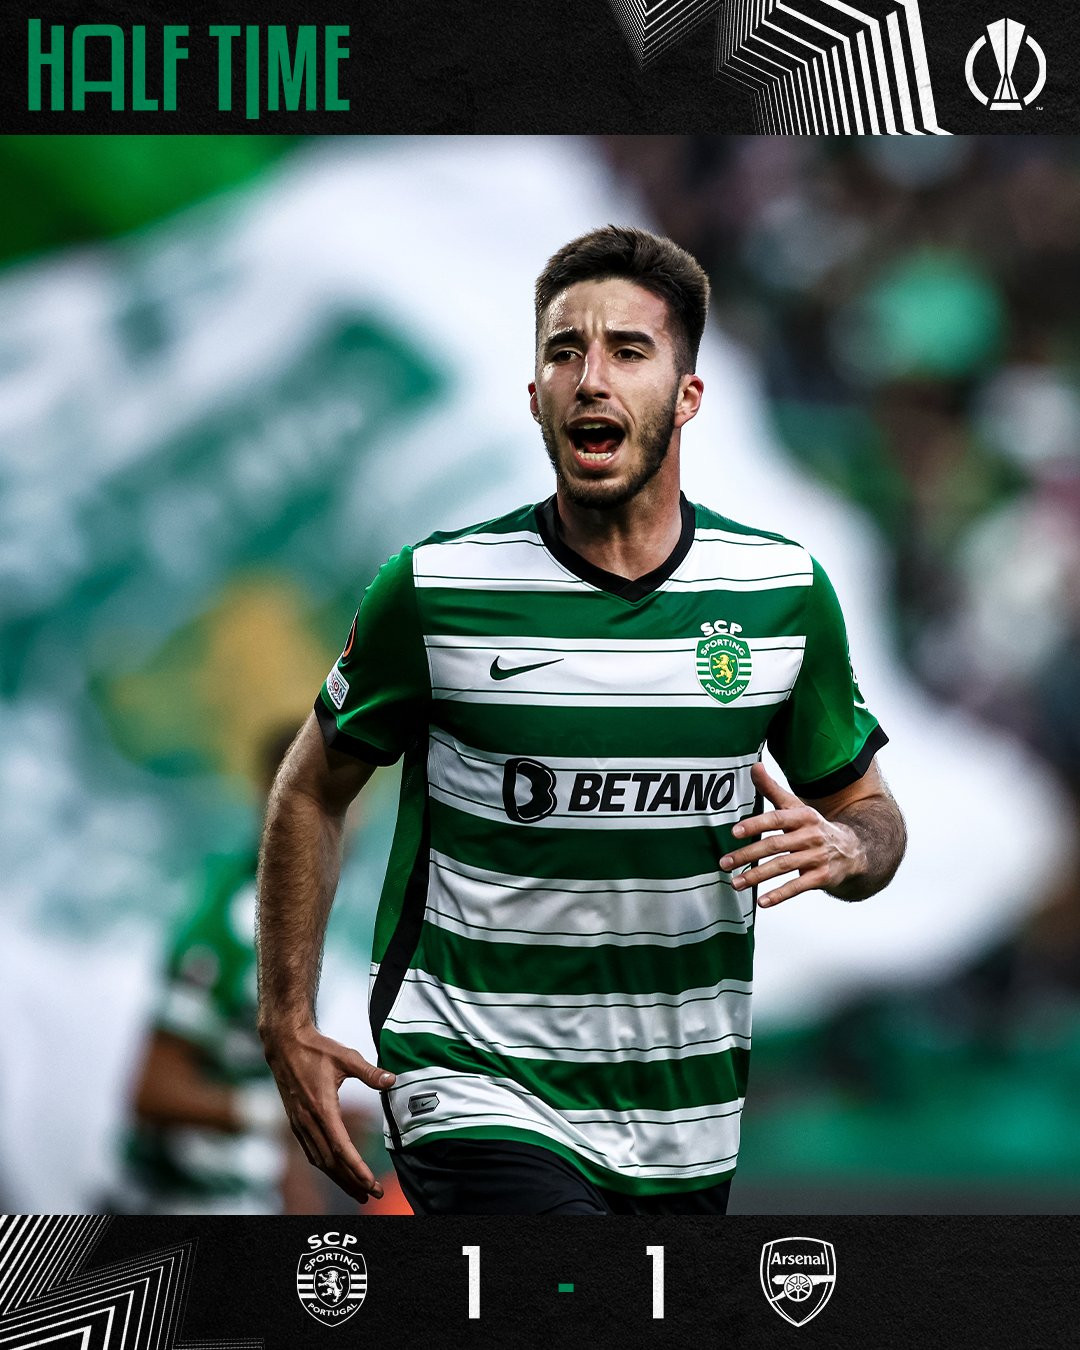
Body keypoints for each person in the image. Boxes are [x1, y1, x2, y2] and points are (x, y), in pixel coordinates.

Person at [256, 225, 907, 1215]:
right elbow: (310, 790)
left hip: (682, 1112)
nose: (591, 378)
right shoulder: (436, 589)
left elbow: (872, 815)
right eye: (566, 352)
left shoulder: (780, 593)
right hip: (475, 1081)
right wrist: (285, 1014)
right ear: (536, 396)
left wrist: (850, 847)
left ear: (687, 396)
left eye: (628, 351)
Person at [111, 727, 388, 1214]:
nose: (351, 813)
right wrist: (293, 1116)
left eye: (356, 792)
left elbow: (266, 1074)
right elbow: (152, 1090)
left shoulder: (298, 922)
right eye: (333, 790)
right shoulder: (232, 923)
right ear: (279, 794)